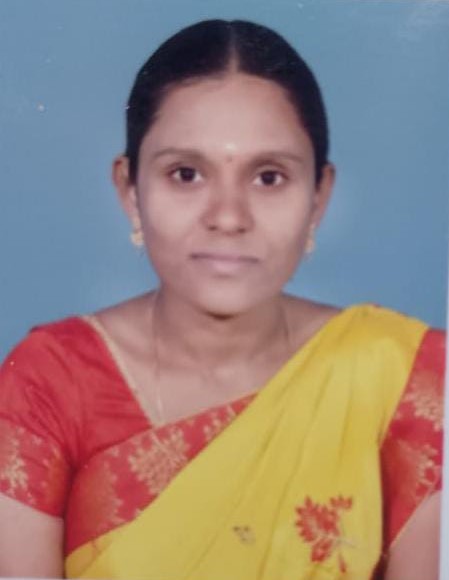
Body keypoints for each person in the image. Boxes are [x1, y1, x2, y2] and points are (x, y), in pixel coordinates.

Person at [0, 19, 444, 580]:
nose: (229, 217)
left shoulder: (404, 377)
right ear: (130, 191)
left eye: (269, 177)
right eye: (186, 174)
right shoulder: (50, 382)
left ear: (319, 197)